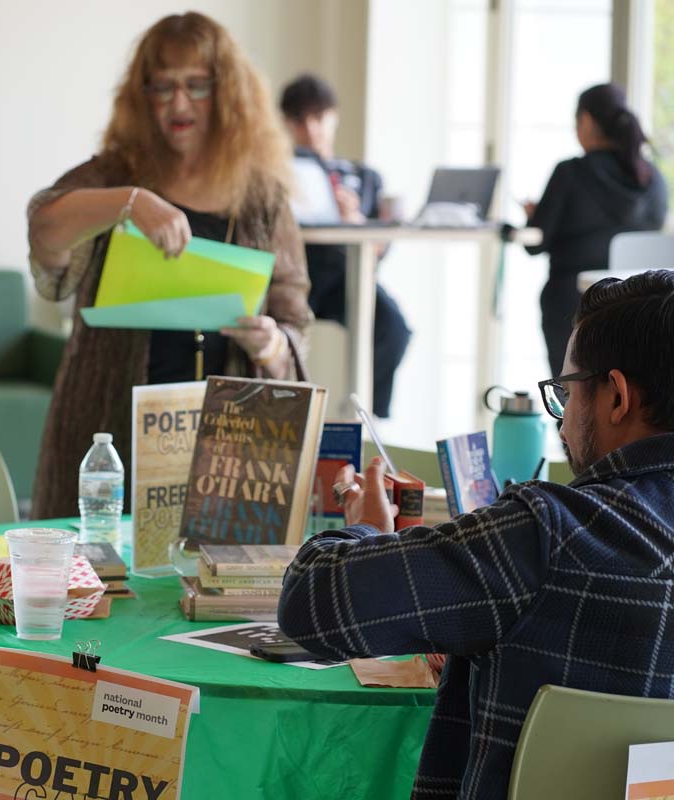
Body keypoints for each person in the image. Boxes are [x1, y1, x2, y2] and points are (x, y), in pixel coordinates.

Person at [278, 270, 674, 800]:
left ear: (617, 397)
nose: (562, 421)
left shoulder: (546, 532)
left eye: (566, 392)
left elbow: (310, 604)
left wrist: (366, 527)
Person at [27, 12, 313, 518]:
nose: (178, 104)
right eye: (162, 87)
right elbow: (44, 228)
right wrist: (129, 202)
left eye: (196, 85)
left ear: (227, 93)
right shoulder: (114, 173)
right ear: (142, 96)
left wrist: (272, 344)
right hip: (109, 427)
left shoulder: (262, 198)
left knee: (212, 568)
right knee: (97, 563)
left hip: (227, 444)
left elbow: (294, 322)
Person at [279, 73, 411, 418]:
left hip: (347, 279)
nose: (311, 129)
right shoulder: (281, 171)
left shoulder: (366, 177)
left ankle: (368, 417)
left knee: (394, 329)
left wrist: (354, 220)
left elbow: (380, 250)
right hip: (295, 276)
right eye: (300, 120)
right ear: (288, 124)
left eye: (318, 117)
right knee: (271, 337)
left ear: (333, 116)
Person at [524, 82, 667, 379]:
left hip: (573, 305)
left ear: (586, 120)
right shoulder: (653, 179)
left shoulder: (570, 172)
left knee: (570, 392)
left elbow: (535, 243)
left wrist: (535, 217)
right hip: (639, 308)